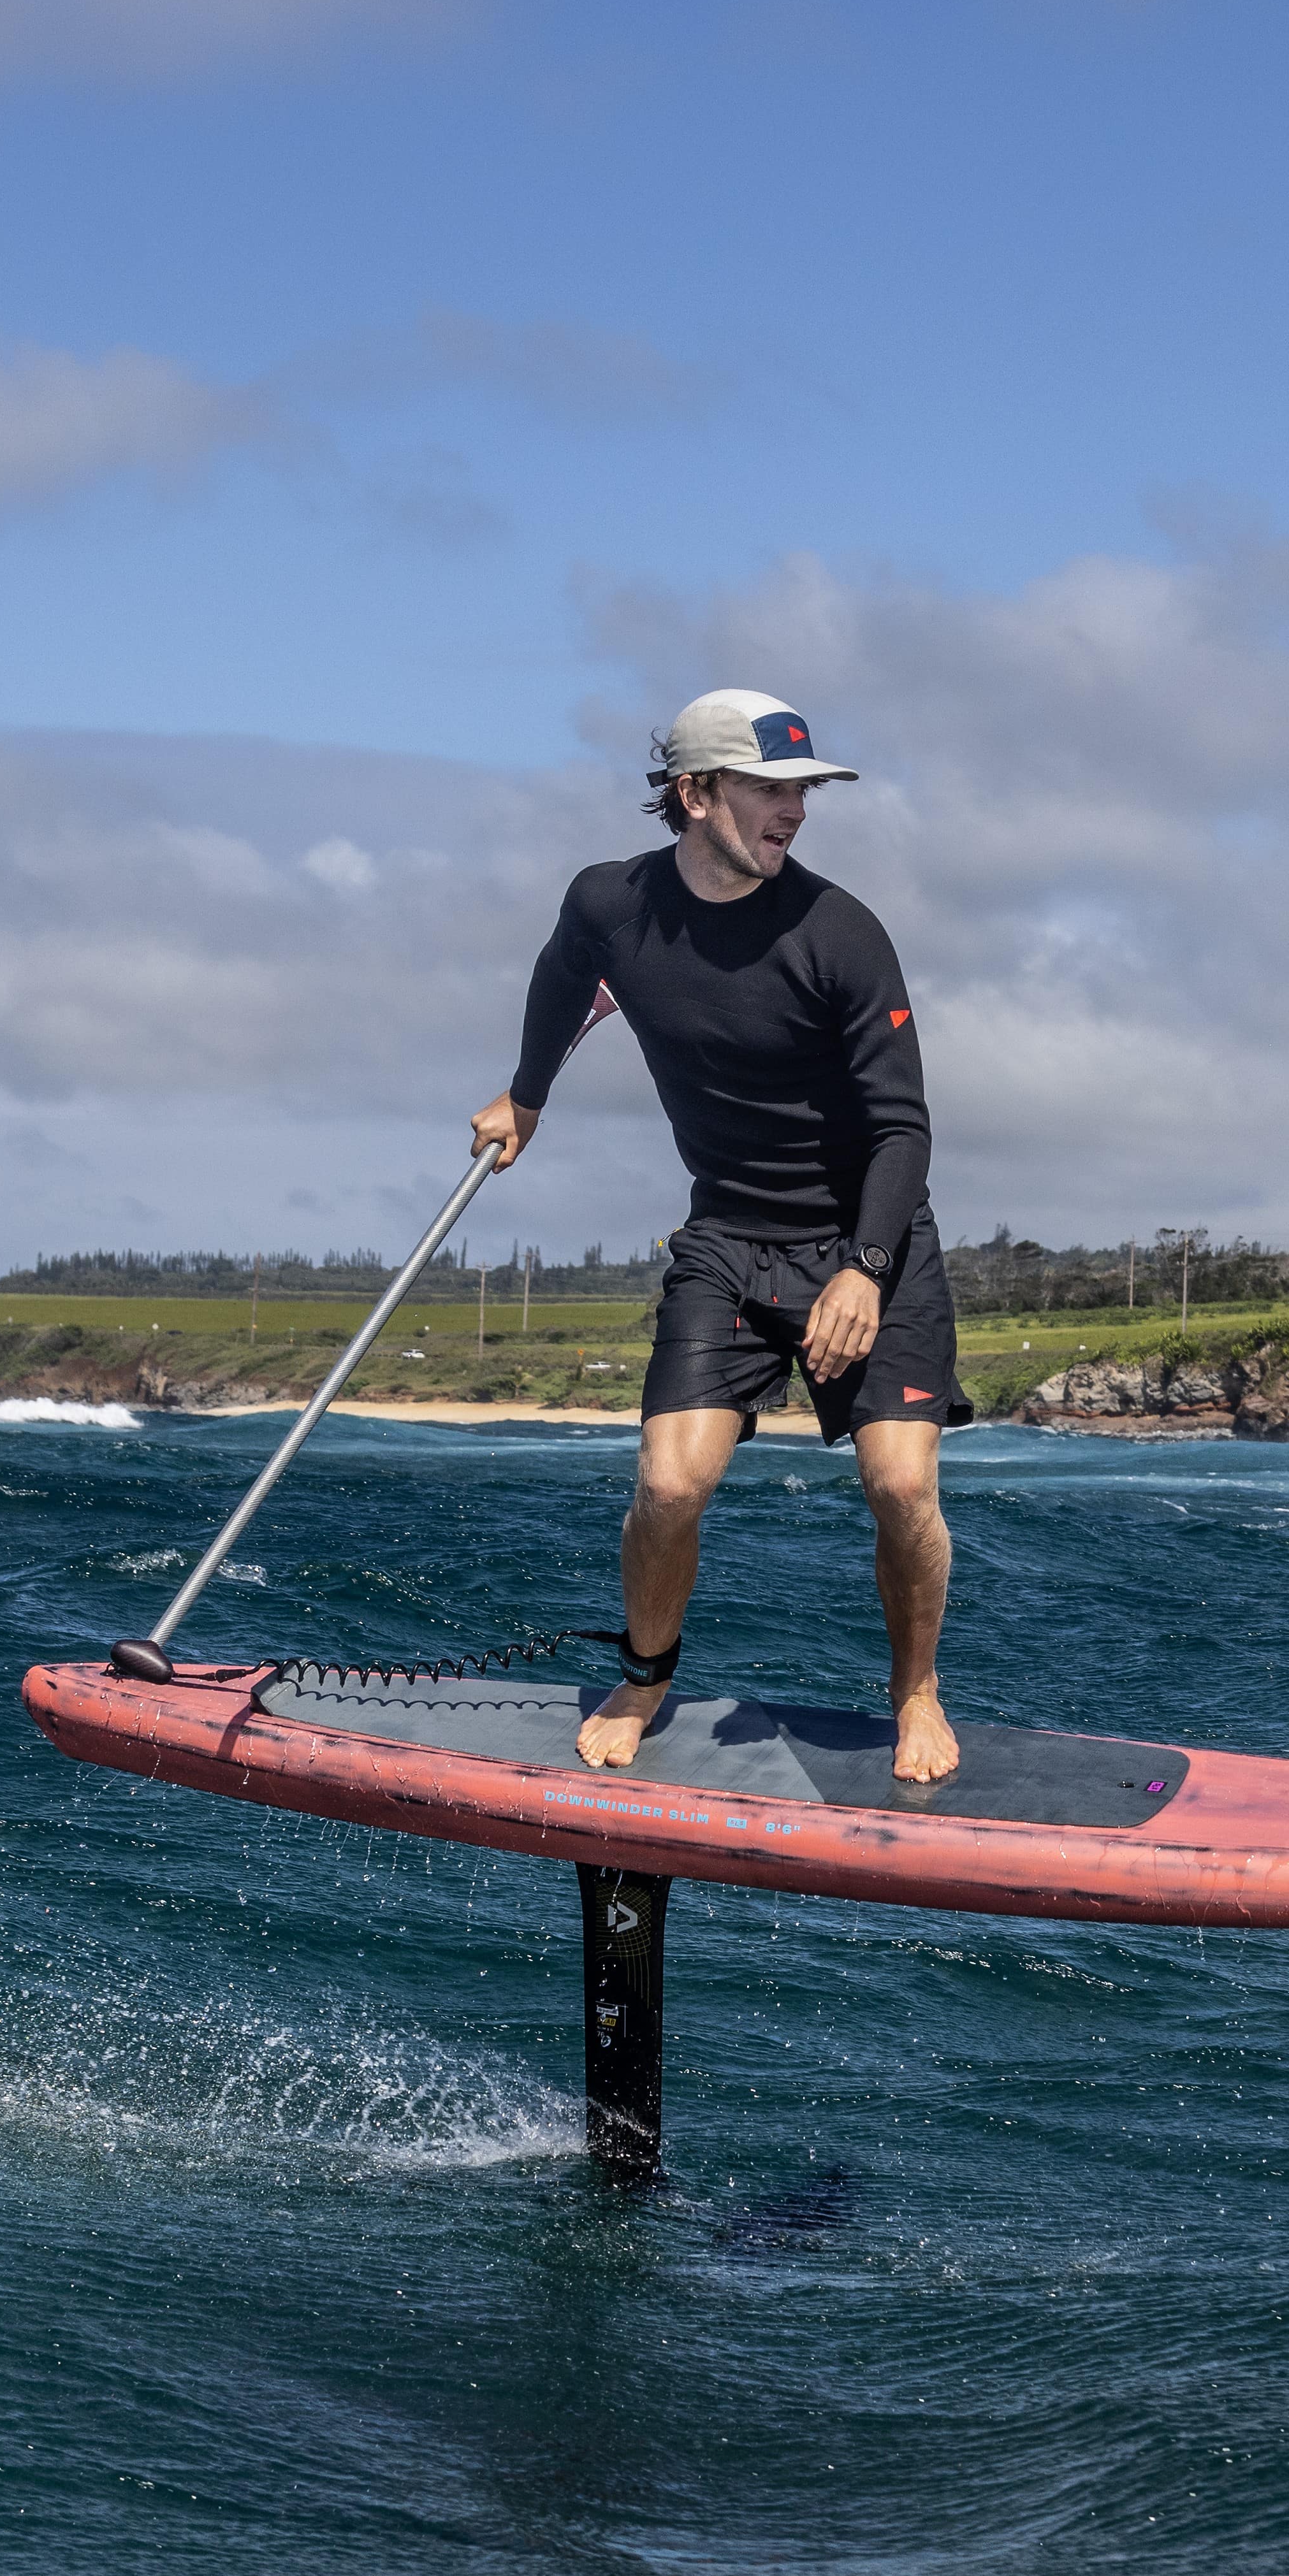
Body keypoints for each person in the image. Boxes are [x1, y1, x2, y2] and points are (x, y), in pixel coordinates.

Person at [471, 688, 970, 1783]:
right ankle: (648, 1672)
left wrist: (867, 1271)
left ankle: (918, 1692)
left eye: (804, 792)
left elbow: (902, 1126)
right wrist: (527, 1097)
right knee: (669, 1485)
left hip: (866, 1237)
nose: (794, 811)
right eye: (771, 790)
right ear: (695, 795)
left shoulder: (841, 934)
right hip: (728, 1239)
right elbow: (563, 980)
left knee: (901, 1486)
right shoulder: (611, 905)